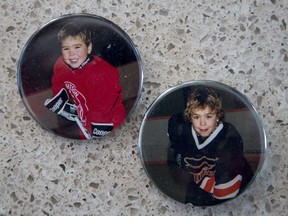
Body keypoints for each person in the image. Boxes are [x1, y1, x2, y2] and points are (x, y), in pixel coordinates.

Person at [168, 87, 254, 206]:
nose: (202, 123)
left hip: (236, 184)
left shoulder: (228, 138)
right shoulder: (181, 130)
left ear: (218, 116)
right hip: (202, 181)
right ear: (190, 117)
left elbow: (225, 194)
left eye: (208, 116)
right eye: (196, 117)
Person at [44, 22, 126, 139]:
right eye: (66, 49)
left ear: (88, 48)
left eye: (77, 47)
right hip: (84, 117)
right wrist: (60, 101)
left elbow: (104, 108)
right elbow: (58, 81)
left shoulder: (101, 75)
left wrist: (97, 131)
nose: (71, 53)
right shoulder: (61, 64)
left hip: (110, 121)